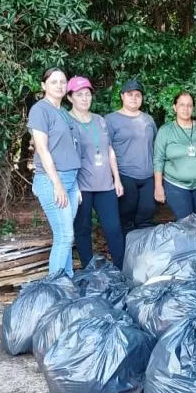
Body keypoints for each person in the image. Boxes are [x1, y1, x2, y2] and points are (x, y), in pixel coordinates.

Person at [66, 76, 125, 269]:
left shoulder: (100, 120)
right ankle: (89, 270)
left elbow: (109, 150)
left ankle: (121, 269)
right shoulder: (67, 121)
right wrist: (72, 188)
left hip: (105, 184)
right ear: (70, 97)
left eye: (87, 94)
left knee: (113, 228)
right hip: (82, 186)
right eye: (79, 94)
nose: (84, 98)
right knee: (83, 230)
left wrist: (117, 179)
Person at [28, 68, 81, 276]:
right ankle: (57, 289)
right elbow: (42, 149)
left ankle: (65, 282)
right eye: (53, 82)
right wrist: (57, 183)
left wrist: (75, 185)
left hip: (71, 178)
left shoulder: (63, 112)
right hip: (52, 180)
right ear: (43, 86)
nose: (59, 85)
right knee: (64, 236)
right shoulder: (40, 110)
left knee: (67, 237)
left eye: (62, 82)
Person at [106, 79, 158, 234]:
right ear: (122, 96)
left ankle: (143, 253)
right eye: (130, 94)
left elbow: (155, 146)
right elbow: (106, 149)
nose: (134, 98)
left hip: (148, 176)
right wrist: (114, 178)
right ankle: (126, 253)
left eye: (138, 95)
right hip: (125, 175)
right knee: (126, 216)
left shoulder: (148, 119)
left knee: (147, 213)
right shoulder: (110, 120)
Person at [154, 91, 196, 219]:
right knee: (185, 222)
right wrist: (158, 186)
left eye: (189, 105)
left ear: (193, 108)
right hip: (176, 185)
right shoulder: (165, 130)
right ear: (174, 107)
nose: (185, 109)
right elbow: (158, 159)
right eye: (181, 105)